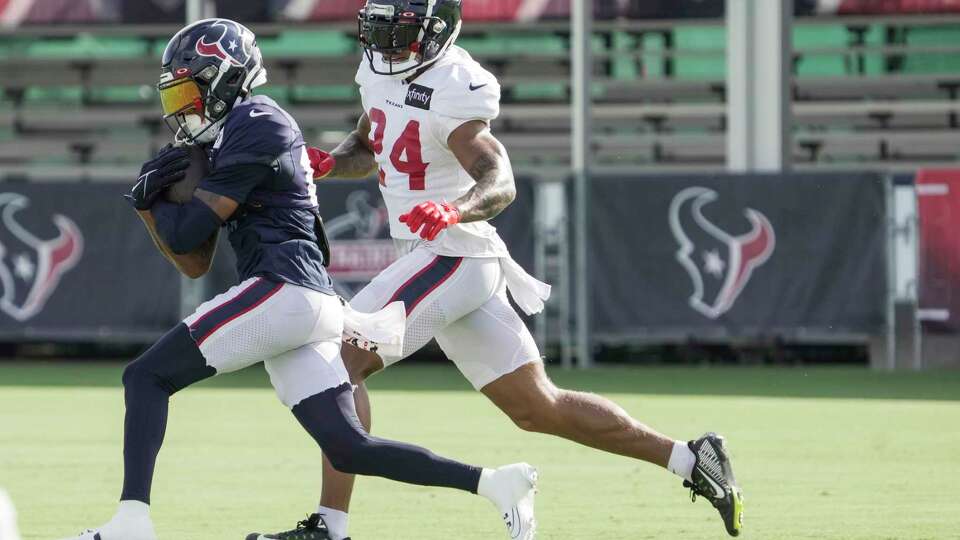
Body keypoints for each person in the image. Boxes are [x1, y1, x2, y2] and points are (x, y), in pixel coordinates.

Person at [249, 1, 744, 538]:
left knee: (338, 363)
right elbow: (370, 146)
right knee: (537, 408)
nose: (387, 45)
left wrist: (454, 208)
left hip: (450, 252)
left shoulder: (455, 82)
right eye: (382, 32)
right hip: (440, 259)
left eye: (399, 33)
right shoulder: (378, 71)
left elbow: (499, 179)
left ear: (435, 32)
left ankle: (330, 526)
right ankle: (692, 459)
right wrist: (331, 162)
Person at [62, 18, 537, 540]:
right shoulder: (233, 133)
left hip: (281, 289)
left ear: (222, 78)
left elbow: (189, 234)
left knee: (145, 377)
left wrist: (149, 198)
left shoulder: (257, 121)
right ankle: (495, 484)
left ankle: (132, 521)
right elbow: (194, 261)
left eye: (188, 91)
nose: (181, 108)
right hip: (305, 303)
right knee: (348, 447)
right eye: (172, 95)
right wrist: (148, 207)